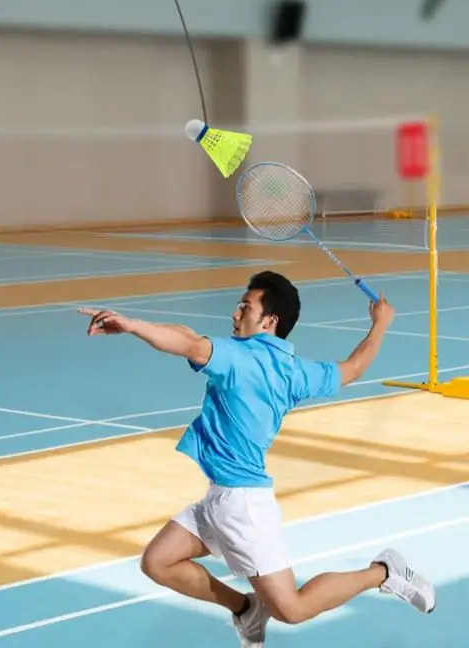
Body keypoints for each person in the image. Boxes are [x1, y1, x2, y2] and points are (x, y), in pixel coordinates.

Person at [79, 270, 435, 646]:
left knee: (293, 609)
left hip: (243, 503)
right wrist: (380, 324)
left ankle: (383, 572)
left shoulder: (237, 358)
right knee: (159, 562)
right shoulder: (295, 371)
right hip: (221, 496)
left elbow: (186, 343)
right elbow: (354, 369)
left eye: (244, 308)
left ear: (269, 321)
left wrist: (132, 325)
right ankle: (247, 609)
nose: (235, 314)